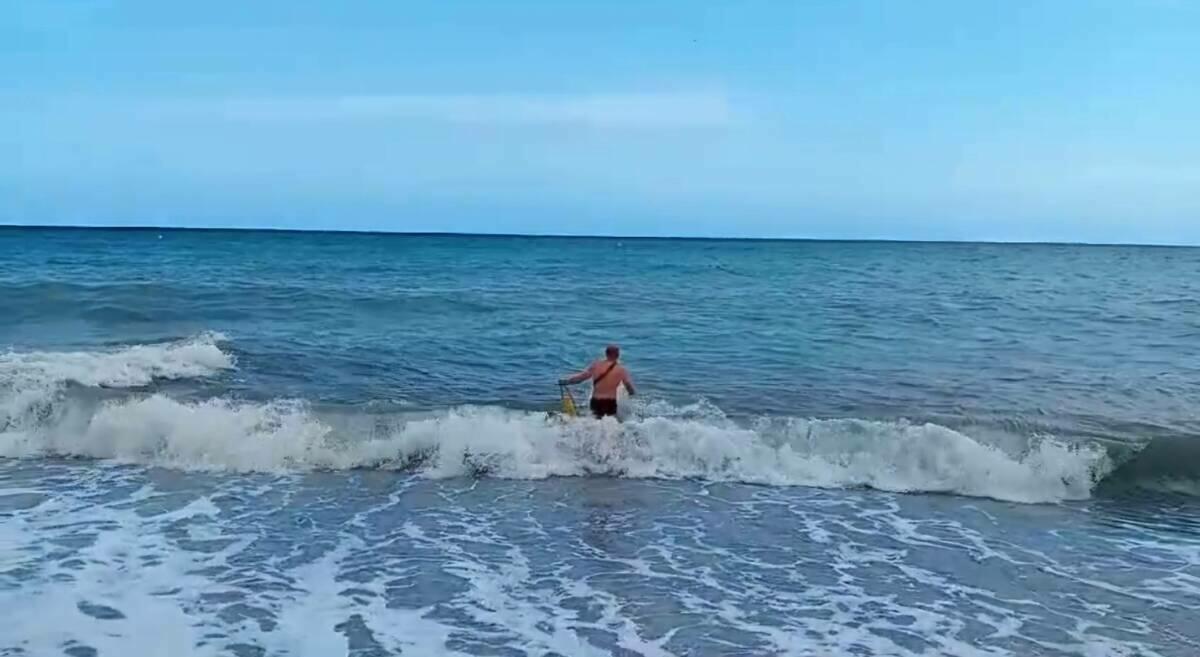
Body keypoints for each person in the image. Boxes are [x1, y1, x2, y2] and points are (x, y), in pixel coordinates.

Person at [559, 344, 636, 419]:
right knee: (609, 425)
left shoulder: (596, 365)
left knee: (596, 423)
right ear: (618, 355)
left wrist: (566, 381)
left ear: (606, 354)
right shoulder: (621, 370)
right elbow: (629, 387)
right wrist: (630, 394)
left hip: (596, 401)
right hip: (610, 402)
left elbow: (581, 378)